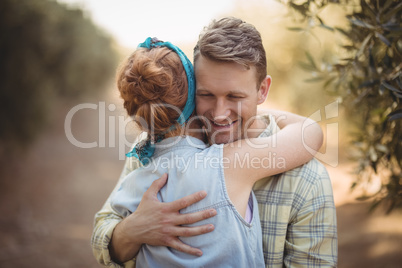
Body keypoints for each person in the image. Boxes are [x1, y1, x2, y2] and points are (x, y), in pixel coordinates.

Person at [91, 17, 337, 267]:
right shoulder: (148, 149)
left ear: (262, 90)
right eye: (206, 94)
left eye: (235, 96)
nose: (219, 114)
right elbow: (103, 233)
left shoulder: (306, 180)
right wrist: (133, 230)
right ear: (191, 90)